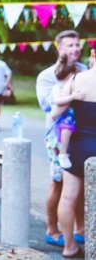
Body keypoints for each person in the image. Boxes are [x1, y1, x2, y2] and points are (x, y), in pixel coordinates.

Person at [35, 30, 87, 249]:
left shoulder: (85, 70)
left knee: (81, 182)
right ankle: (52, 228)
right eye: (70, 45)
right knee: (58, 182)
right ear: (59, 48)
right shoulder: (48, 76)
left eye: (77, 44)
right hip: (58, 136)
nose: (75, 48)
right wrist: (73, 93)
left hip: (81, 133)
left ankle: (81, 229)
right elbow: (50, 107)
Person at [50, 49, 96, 258]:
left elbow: (55, 113)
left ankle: (69, 246)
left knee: (68, 197)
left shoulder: (77, 79)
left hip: (79, 146)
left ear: (93, 55)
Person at [50, 55, 84, 169]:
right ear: (71, 76)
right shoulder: (58, 87)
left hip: (71, 118)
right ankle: (62, 154)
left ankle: (66, 152)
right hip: (62, 120)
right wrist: (73, 97)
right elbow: (58, 101)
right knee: (66, 129)